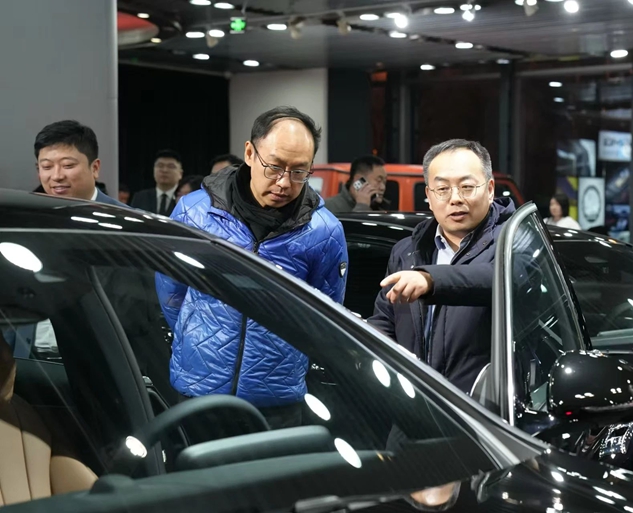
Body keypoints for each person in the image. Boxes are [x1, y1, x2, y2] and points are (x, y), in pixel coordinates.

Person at [155, 106, 348, 428]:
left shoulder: (324, 231)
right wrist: (199, 340)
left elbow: (324, 314)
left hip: (277, 397)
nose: (284, 182)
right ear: (249, 153)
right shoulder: (194, 213)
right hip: (198, 385)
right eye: (274, 167)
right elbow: (171, 291)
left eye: (299, 171)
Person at [368, 139, 515, 394]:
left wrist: (430, 280)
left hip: (481, 408)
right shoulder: (406, 252)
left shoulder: (514, 243)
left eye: (467, 187)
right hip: (411, 403)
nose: (455, 199)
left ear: (490, 189)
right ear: (428, 196)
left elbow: (498, 279)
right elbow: (384, 319)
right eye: (443, 189)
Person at [34, 120, 123, 206]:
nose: (56, 176)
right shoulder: (33, 214)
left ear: (95, 168)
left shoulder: (121, 215)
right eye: (47, 166)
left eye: (68, 165)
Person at [324, 155, 389, 214]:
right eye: (378, 180)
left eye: (384, 182)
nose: (383, 187)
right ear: (359, 180)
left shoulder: (380, 210)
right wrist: (362, 207)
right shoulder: (328, 208)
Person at [131, 150, 183, 215]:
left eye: (170, 166)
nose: (164, 170)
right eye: (160, 166)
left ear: (180, 174)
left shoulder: (185, 199)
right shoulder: (140, 197)